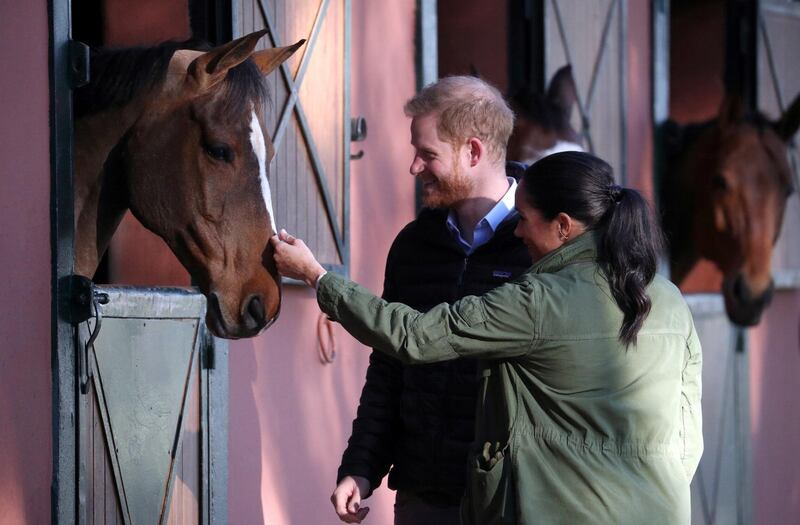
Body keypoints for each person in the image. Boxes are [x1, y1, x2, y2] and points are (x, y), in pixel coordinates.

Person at [271, 151, 704, 524]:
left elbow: (415, 336)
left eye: (526, 221)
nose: (516, 232)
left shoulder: (539, 300)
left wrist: (316, 276)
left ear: (564, 227)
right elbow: (689, 434)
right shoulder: (667, 297)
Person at [326, 76, 531, 524]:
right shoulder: (414, 245)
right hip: (422, 498)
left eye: (428, 153)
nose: (414, 167)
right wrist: (361, 468)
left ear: (473, 151)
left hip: (509, 503)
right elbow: (388, 369)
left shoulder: (539, 247)